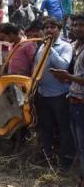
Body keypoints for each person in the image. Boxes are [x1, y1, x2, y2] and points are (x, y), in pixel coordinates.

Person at [34, 17, 75, 172]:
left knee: (65, 129)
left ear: (59, 29)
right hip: (43, 95)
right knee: (47, 128)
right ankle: (47, 158)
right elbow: (37, 68)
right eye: (47, 27)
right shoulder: (40, 47)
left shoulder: (65, 46)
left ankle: (66, 162)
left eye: (53, 27)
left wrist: (50, 48)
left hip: (59, 95)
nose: (49, 30)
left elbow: (63, 65)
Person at [49, 13, 84, 186]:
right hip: (74, 100)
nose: (77, 28)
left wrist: (68, 76)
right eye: (75, 25)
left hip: (82, 103)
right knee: (79, 146)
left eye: (81, 25)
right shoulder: (75, 46)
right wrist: (66, 78)